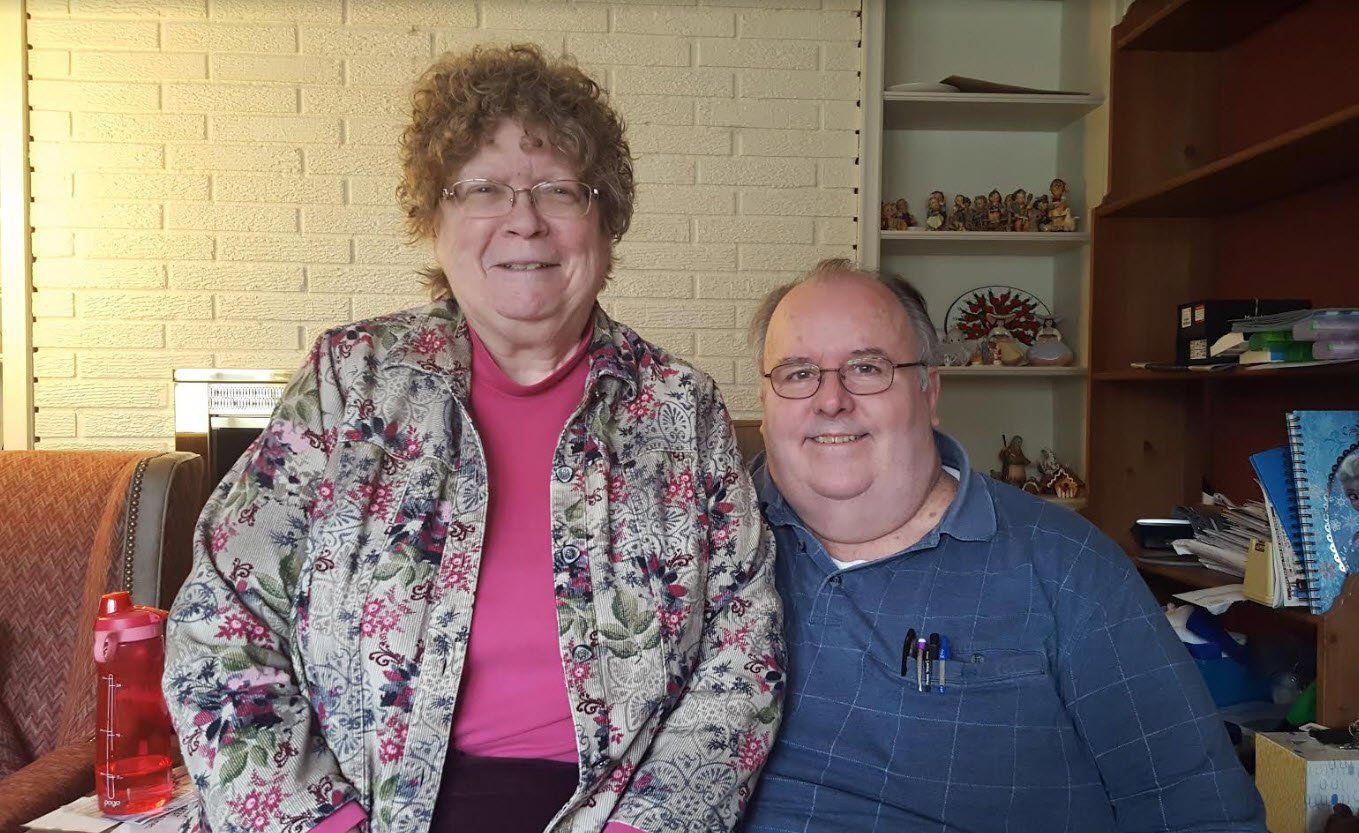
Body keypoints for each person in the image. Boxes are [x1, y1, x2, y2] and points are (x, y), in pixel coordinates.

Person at [163, 44, 783, 833]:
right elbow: (223, 618)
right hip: (363, 810)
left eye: (558, 189)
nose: (522, 218)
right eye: (483, 189)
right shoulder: (349, 382)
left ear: (606, 221)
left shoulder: (677, 406)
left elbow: (743, 652)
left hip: (611, 815)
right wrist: (320, 825)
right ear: (435, 222)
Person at [739, 258, 1266, 832]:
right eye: (796, 374)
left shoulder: (1067, 568)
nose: (831, 399)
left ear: (929, 391)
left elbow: (1195, 806)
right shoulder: (703, 553)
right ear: (765, 405)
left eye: (867, 368)